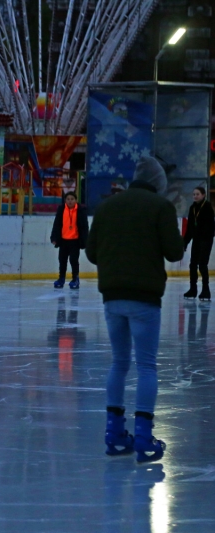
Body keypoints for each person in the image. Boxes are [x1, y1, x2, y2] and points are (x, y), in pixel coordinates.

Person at [85, 155, 184, 463]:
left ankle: (114, 435)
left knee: (119, 363)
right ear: (159, 183)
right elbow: (174, 251)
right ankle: (143, 437)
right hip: (144, 298)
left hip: (112, 297)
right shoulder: (160, 207)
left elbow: (90, 253)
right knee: (146, 366)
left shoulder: (108, 206)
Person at [50, 191, 89, 289]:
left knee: (73, 260)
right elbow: (57, 224)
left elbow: (84, 226)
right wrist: (54, 237)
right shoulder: (61, 209)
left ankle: (75, 279)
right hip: (63, 240)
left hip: (75, 241)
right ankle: (61, 278)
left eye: (72, 199)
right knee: (62, 260)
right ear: (65, 201)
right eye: (68, 199)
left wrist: (85, 240)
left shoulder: (81, 210)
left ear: (76, 200)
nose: (70, 201)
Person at [183, 186, 215, 301]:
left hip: (206, 240)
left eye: (197, 194)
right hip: (197, 240)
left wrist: (204, 238)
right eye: (194, 194)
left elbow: (211, 227)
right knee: (192, 265)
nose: (195, 196)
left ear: (203, 195)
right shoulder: (192, 208)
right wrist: (185, 242)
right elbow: (190, 228)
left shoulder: (207, 208)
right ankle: (193, 289)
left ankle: (205, 290)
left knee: (202, 264)